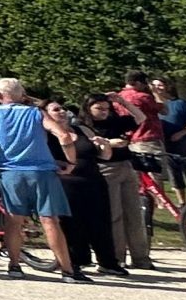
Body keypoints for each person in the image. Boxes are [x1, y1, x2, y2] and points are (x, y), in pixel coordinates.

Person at [0, 78, 84, 282]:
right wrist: (71, 162)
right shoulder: (36, 113)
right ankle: (67, 270)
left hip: (10, 171)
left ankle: (14, 264)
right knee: (50, 220)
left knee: (14, 220)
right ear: (22, 94)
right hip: (42, 171)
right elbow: (63, 136)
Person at [49, 99, 131, 278]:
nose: (62, 112)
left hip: (94, 180)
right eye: (56, 110)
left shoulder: (81, 129)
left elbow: (104, 156)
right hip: (66, 183)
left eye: (62, 108)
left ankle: (108, 262)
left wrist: (104, 145)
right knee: (72, 224)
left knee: (101, 222)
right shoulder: (46, 136)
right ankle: (75, 261)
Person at [81, 93, 154, 269]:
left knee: (134, 213)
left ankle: (140, 257)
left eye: (106, 108)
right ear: (88, 109)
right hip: (105, 168)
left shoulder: (115, 121)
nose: (103, 112)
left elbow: (141, 117)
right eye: (99, 108)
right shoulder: (84, 126)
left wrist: (122, 102)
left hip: (126, 166)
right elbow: (88, 145)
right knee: (114, 214)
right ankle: (116, 257)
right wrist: (109, 143)